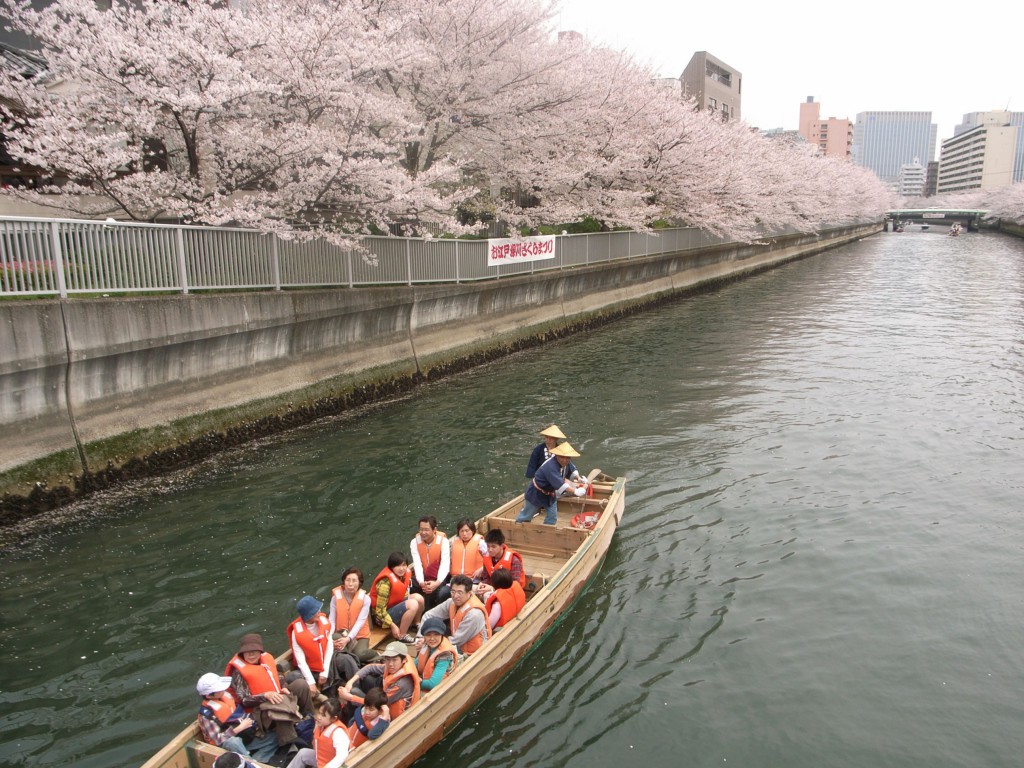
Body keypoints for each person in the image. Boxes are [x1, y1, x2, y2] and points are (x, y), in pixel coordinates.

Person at [225, 633, 313, 749]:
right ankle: (289, 743)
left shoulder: (266, 659)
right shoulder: (238, 673)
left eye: (254, 651)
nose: (251, 654)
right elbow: (244, 700)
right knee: (279, 707)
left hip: (277, 697)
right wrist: (265, 695)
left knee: (301, 684)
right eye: (247, 652)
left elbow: (278, 676)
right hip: (257, 711)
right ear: (242, 653)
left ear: (260, 651)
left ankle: (309, 718)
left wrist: (283, 686)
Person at [196, 672, 278, 761]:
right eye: (219, 689)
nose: (223, 688)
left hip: (244, 735)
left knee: (274, 737)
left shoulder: (225, 696)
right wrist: (240, 727)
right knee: (233, 742)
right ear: (209, 695)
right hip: (227, 744)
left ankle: (256, 760)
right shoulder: (206, 716)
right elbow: (218, 740)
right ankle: (249, 764)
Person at [339, 641, 421, 720]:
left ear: (403, 660)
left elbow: (377, 704)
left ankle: (348, 720)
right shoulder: (394, 667)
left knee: (354, 692)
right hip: (384, 696)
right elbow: (370, 667)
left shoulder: (402, 683)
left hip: (392, 716)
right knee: (364, 679)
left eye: (394, 660)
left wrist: (350, 697)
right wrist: (351, 681)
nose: (390, 664)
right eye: (388, 659)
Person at [514, 441, 587, 526]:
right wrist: (575, 491)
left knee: (552, 516)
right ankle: (517, 526)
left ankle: (547, 530)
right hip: (536, 492)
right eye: (562, 457)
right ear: (556, 456)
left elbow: (572, 470)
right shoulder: (550, 466)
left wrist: (579, 478)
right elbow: (561, 484)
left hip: (550, 493)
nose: (565, 460)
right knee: (526, 515)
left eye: (567, 458)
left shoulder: (566, 462)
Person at [417, 574, 489, 656]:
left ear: (469, 593)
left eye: (459, 592)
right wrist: (421, 638)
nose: (455, 596)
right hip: (456, 640)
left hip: (471, 653)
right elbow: (428, 615)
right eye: (453, 592)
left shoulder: (474, 614)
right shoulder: (451, 602)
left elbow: (457, 640)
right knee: (423, 644)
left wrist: (427, 643)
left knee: (430, 649)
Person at [370, 552, 425, 644]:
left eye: (404, 565)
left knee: (419, 598)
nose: (401, 569)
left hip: (394, 605)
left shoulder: (403, 575)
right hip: (381, 618)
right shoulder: (385, 583)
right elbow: (380, 611)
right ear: (392, 567)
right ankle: (401, 636)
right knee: (413, 604)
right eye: (397, 566)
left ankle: (416, 624)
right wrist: (392, 626)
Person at [328, 568, 377, 664]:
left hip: (360, 635)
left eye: (354, 581)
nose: (350, 584)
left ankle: (376, 656)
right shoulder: (335, 598)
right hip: (341, 633)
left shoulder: (365, 599)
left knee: (360, 654)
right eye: (348, 580)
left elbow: (360, 621)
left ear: (359, 583)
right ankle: (350, 661)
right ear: (344, 582)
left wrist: (348, 639)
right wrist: (329, 638)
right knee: (336, 642)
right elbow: (332, 621)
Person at [287, 595, 333, 693]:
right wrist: (310, 682)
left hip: (326, 664)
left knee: (346, 660)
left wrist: (324, 672)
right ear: (308, 615)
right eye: (316, 611)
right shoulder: (296, 633)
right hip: (310, 669)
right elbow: (300, 660)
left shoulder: (325, 622)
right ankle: (317, 695)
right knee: (293, 677)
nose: (319, 612)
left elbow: (329, 647)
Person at [285, 699, 350, 768]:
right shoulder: (322, 725)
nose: (319, 717)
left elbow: (342, 755)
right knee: (303, 753)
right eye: (319, 713)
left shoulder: (338, 732)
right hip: (322, 759)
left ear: (333, 718)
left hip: (334, 765)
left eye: (323, 715)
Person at [409, 515, 451, 611]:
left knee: (436, 591)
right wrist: (421, 582)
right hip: (424, 576)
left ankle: (429, 612)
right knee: (410, 584)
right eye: (421, 529)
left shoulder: (443, 542)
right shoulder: (414, 542)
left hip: (440, 576)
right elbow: (417, 564)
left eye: (426, 530)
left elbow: (445, 565)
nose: (423, 533)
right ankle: (416, 609)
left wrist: (436, 583)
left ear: (434, 529)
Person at [414, 617, 457, 691]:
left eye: (436, 634)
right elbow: (414, 664)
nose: (432, 638)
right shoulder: (427, 644)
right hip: (424, 679)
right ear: (424, 636)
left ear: (442, 635)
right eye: (428, 635)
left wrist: (413, 682)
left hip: (439, 688)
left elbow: (432, 684)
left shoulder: (445, 655)